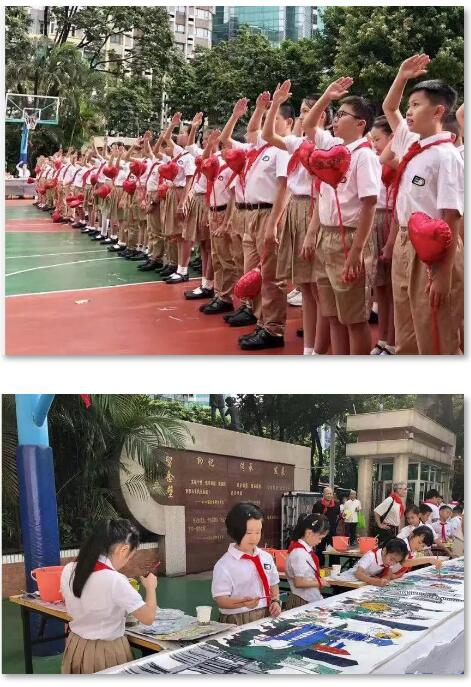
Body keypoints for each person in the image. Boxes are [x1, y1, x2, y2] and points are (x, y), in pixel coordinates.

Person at [382, 54, 464, 354]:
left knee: (435, 334)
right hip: (406, 243)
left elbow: (451, 215)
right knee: (407, 332)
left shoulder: (446, 155)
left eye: (416, 105)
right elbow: (389, 107)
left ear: (439, 111)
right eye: (410, 105)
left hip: (434, 251)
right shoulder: (411, 143)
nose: (409, 111)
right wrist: (401, 77)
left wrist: (443, 274)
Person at [302, 77, 380, 355]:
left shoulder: (364, 156)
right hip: (327, 236)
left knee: (354, 318)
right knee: (333, 314)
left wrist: (357, 252)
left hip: (349, 238)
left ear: (360, 124)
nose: (335, 120)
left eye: (343, 115)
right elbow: (309, 125)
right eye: (336, 115)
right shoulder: (333, 147)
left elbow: (369, 204)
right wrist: (326, 97)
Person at [262, 84, 332, 356]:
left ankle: (320, 350)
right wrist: (274, 104)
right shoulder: (298, 143)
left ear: (321, 115)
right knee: (305, 287)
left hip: (314, 209)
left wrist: (313, 230)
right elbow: (268, 135)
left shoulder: (329, 145)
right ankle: (308, 348)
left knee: (318, 289)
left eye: (306, 111)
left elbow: (325, 190)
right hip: (296, 207)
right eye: (301, 111)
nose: (302, 116)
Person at [60, 519, 158, 674]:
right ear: (123, 549)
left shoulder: (69, 569)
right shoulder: (115, 580)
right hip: (105, 652)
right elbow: (148, 618)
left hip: (76, 646)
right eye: (129, 557)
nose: (126, 562)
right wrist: (151, 588)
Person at [211, 503, 281, 626]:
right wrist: (243, 603)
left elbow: (273, 584)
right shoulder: (224, 565)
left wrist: (275, 601)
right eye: (248, 533)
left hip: (266, 614)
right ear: (236, 532)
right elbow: (221, 600)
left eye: (258, 532)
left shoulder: (266, 557)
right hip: (237, 618)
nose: (254, 538)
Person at [369, 116, 396, 355]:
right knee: (381, 289)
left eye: (377, 139)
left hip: (390, 221)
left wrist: (390, 242)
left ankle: (394, 342)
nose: (374, 144)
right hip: (374, 221)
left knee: (393, 290)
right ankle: (383, 338)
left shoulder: (397, 163)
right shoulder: (374, 160)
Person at [285, 513, 330, 610]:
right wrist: (319, 583)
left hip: (309, 598)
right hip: (302, 600)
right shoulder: (299, 553)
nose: (320, 541)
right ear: (309, 533)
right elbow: (299, 582)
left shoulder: (304, 550)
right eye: (320, 538)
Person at [338, 537, 408, 586]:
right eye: (392, 559)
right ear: (384, 551)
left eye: (396, 562)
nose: (392, 563)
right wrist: (374, 581)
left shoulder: (390, 559)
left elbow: (388, 575)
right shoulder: (371, 556)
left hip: (363, 582)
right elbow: (358, 574)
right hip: (348, 582)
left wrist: (384, 580)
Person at [312, 486, 341, 564]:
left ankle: (333, 566)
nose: (329, 495)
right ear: (323, 494)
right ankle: (320, 565)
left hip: (332, 530)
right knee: (320, 549)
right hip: (321, 530)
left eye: (331, 493)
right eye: (327, 493)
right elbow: (314, 516)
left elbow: (338, 515)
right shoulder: (318, 504)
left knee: (333, 550)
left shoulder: (336, 504)